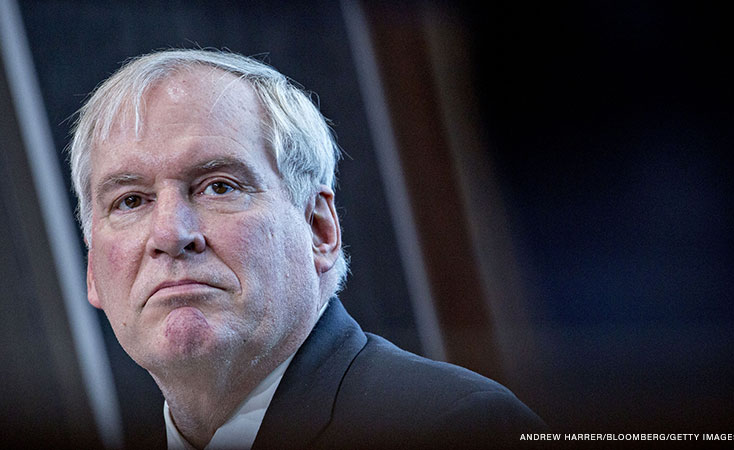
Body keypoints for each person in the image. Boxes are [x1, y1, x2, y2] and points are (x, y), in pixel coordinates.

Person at [69, 48, 546, 449]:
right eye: (130, 200)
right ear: (92, 272)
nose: (170, 234)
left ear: (319, 229)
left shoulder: (453, 427)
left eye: (219, 187)